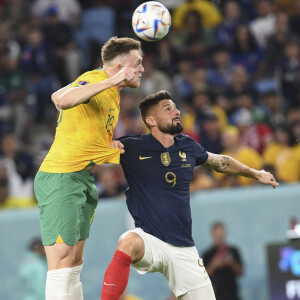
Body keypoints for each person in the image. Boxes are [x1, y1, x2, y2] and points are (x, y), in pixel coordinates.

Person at [100, 90, 278, 300]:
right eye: (168, 109)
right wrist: (105, 146)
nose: (177, 111)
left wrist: (255, 173)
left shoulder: (187, 145)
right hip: (151, 240)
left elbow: (221, 162)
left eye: (175, 107)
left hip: (184, 248)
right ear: (151, 120)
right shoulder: (129, 146)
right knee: (128, 241)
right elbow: (90, 152)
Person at [34, 36, 144, 300]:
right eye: (137, 63)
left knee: (73, 263)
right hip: (60, 177)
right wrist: (110, 81)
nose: (142, 69)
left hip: (81, 179)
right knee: (61, 262)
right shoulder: (98, 81)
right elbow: (62, 100)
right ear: (119, 68)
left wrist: (109, 144)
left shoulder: (111, 94)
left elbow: (58, 97)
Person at [202, 222, 243, 300]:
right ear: (212, 234)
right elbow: (203, 277)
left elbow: (241, 272)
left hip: (232, 294)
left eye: (221, 233)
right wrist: (213, 265)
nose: (219, 236)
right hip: (216, 294)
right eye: (217, 233)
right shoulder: (207, 254)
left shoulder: (233, 251)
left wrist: (232, 262)